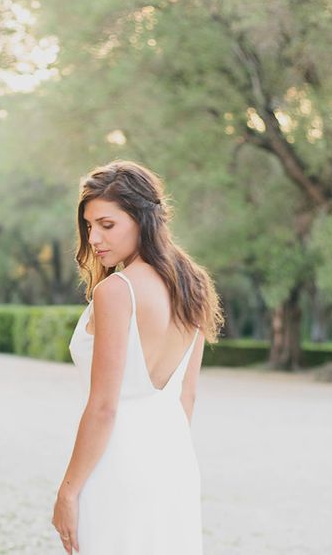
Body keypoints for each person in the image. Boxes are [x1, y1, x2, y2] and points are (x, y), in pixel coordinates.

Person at [52, 160, 224, 554]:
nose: (94, 238)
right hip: (174, 456)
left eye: (107, 225)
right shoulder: (193, 285)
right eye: (89, 226)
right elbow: (187, 396)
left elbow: (103, 406)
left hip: (118, 461)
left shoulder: (116, 291)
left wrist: (69, 491)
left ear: (143, 218)